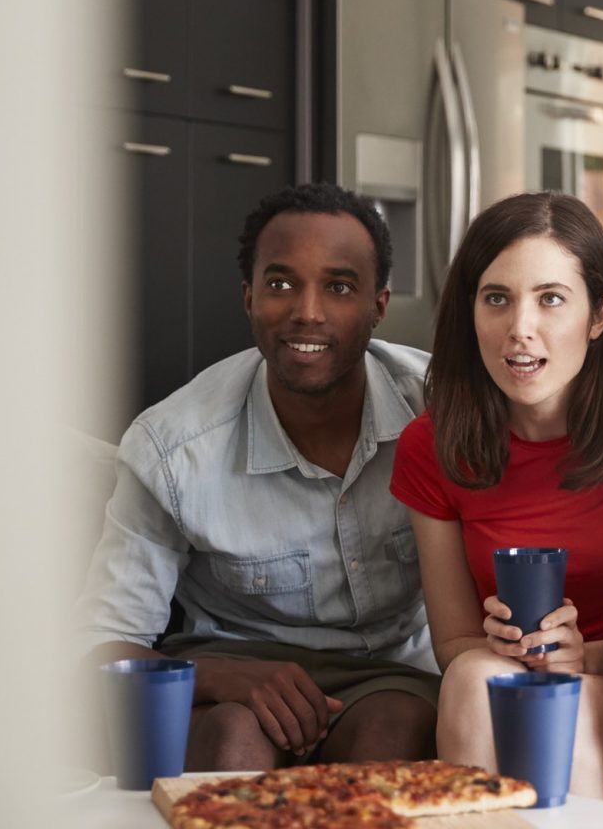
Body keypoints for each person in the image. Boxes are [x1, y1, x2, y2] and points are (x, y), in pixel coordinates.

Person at [76, 183, 439, 771]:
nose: (308, 311)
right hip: (229, 665)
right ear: (248, 297)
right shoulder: (172, 449)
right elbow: (100, 647)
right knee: (232, 738)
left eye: (339, 287)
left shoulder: (443, 413)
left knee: (392, 735)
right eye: (280, 283)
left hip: (394, 674)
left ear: (379, 306)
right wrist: (222, 677)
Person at [389, 192, 603, 799]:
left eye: (551, 299)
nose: (519, 330)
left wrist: (585, 656)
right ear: (470, 312)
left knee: (555, 715)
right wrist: (504, 644)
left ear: (599, 315)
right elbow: (454, 642)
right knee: (472, 679)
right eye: (497, 299)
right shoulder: (431, 445)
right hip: (506, 676)